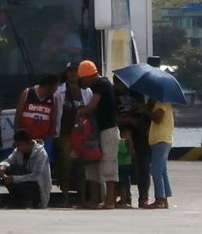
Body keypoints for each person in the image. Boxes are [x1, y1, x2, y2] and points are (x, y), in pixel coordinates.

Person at [77, 60, 119, 209]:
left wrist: (80, 112)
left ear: (88, 76)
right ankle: (94, 200)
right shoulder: (97, 85)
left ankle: (109, 201)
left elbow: (93, 105)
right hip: (96, 130)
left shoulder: (101, 84)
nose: (84, 82)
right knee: (92, 163)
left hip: (108, 130)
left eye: (83, 79)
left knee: (108, 163)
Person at [54, 63, 93, 206]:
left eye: (75, 71)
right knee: (66, 164)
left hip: (82, 134)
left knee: (81, 167)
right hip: (65, 133)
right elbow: (55, 113)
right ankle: (65, 198)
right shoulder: (59, 92)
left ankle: (82, 199)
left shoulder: (87, 91)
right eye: (69, 71)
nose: (72, 74)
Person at [114, 76, 151, 208]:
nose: (119, 86)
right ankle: (125, 197)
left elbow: (143, 113)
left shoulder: (137, 93)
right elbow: (113, 115)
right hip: (122, 133)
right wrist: (124, 121)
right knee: (123, 167)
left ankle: (143, 197)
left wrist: (136, 118)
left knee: (143, 167)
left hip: (140, 134)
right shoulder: (113, 94)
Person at [0, 129, 52, 208]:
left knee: (17, 177)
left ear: (29, 143)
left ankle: (33, 202)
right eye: (18, 145)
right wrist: (1, 166)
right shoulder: (18, 150)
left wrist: (14, 179)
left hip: (38, 186)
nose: (19, 148)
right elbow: (9, 160)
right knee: (8, 169)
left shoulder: (41, 154)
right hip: (24, 180)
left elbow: (35, 176)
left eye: (21, 145)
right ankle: (18, 201)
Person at [14, 73, 60, 146]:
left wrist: (50, 140)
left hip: (43, 141)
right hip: (26, 140)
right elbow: (17, 117)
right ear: (48, 86)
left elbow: (53, 121)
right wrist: (17, 137)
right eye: (55, 87)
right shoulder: (27, 93)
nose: (56, 89)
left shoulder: (54, 98)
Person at [145, 99, 174, 209]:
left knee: (155, 171)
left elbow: (158, 118)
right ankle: (164, 199)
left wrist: (146, 110)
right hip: (160, 140)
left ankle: (159, 199)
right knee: (162, 171)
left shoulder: (162, 103)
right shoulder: (158, 103)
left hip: (161, 140)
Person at [116, 128, 134, 209]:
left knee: (119, 183)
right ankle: (124, 200)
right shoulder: (130, 143)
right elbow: (131, 154)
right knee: (125, 183)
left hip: (120, 165)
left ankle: (121, 200)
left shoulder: (119, 143)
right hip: (127, 165)